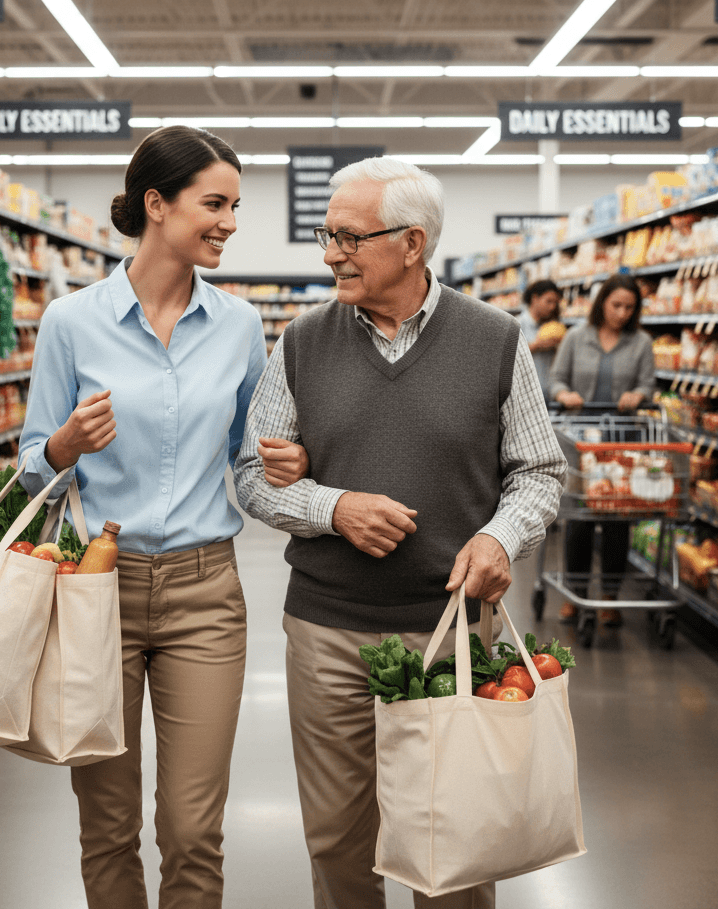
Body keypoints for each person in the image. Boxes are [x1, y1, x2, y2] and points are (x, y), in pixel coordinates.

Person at [233, 156, 567, 909]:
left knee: (453, 839)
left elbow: (540, 471)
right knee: (339, 839)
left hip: (450, 633)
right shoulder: (300, 341)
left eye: (349, 238)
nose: (329, 254)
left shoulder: (496, 340)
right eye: (328, 235)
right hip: (326, 631)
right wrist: (333, 506)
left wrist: (498, 538)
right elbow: (254, 475)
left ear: (412, 244)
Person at [17, 125, 309, 909]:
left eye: (235, 206)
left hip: (205, 593)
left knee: (191, 827)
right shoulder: (70, 323)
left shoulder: (243, 326)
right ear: (157, 204)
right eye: (215, 203)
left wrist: (287, 470)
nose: (230, 221)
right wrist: (64, 445)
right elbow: (24, 472)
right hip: (93, 591)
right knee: (107, 823)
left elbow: (250, 464)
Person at [549, 273, 656, 626]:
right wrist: (565, 394)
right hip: (581, 442)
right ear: (602, 303)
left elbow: (647, 385)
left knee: (616, 520)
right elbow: (556, 379)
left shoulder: (640, 342)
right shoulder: (576, 337)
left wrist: (638, 396)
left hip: (621, 443)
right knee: (578, 519)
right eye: (616, 305)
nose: (622, 313)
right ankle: (574, 595)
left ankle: (610, 597)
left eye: (629, 307)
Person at [518, 278, 564, 400]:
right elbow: (507, 356)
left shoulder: (553, 326)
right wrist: (536, 346)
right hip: (525, 396)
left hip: (548, 394)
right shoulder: (517, 324)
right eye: (548, 301)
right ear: (535, 299)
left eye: (555, 302)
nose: (552, 307)